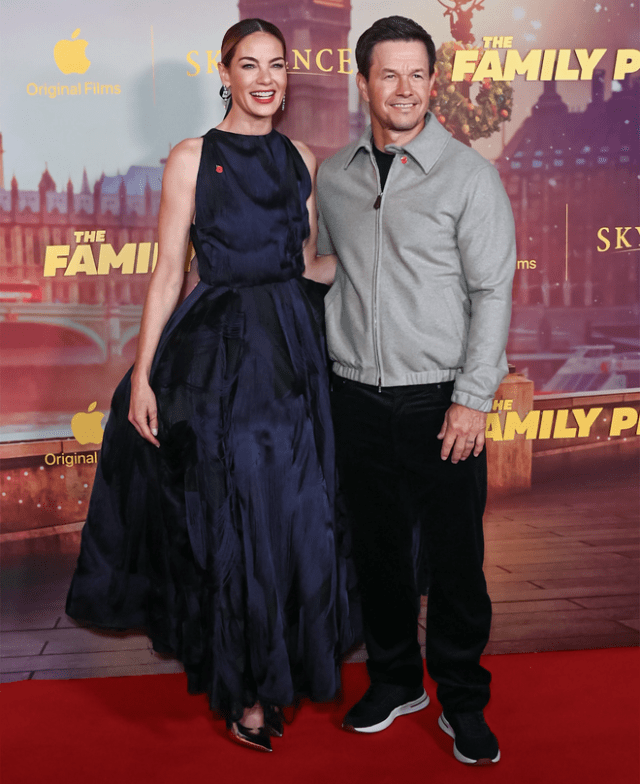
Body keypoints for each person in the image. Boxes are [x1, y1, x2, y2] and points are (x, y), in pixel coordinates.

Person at [66, 18, 354, 754]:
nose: (265, 78)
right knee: (236, 514)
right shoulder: (191, 158)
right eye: (249, 65)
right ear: (223, 73)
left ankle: (276, 668)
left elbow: (308, 263)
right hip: (221, 354)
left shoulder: (301, 158)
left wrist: (379, 258)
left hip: (293, 351)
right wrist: (144, 374)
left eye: (276, 65)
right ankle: (246, 693)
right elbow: (169, 270)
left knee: (294, 512)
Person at [316, 16, 516, 766]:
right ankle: (397, 681)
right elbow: (331, 268)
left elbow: (492, 292)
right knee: (377, 554)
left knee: (457, 561)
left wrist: (473, 398)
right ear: (363, 83)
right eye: (388, 74)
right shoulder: (333, 177)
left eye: (417, 75)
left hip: (441, 400)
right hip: (355, 396)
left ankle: (462, 699)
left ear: (434, 83)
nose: (404, 89)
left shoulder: (470, 177)